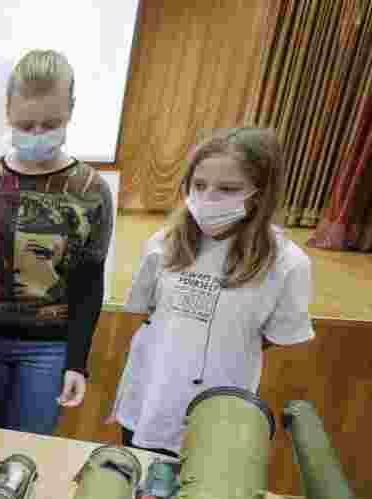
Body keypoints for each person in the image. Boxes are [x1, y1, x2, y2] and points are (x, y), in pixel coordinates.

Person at [110, 127, 314, 457]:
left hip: (218, 410)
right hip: (149, 397)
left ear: (260, 193)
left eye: (228, 189)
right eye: (199, 186)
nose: (208, 199)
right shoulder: (164, 244)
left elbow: (276, 337)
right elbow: (145, 311)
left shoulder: (288, 263)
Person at [0, 49, 112, 436]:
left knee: (26, 450)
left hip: (48, 348)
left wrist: (77, 361)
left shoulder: (91, 189)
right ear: (8, 111)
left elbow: (89, 282)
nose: (38, 134)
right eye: (27, 124)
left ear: (71, 110)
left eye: (51, 123)